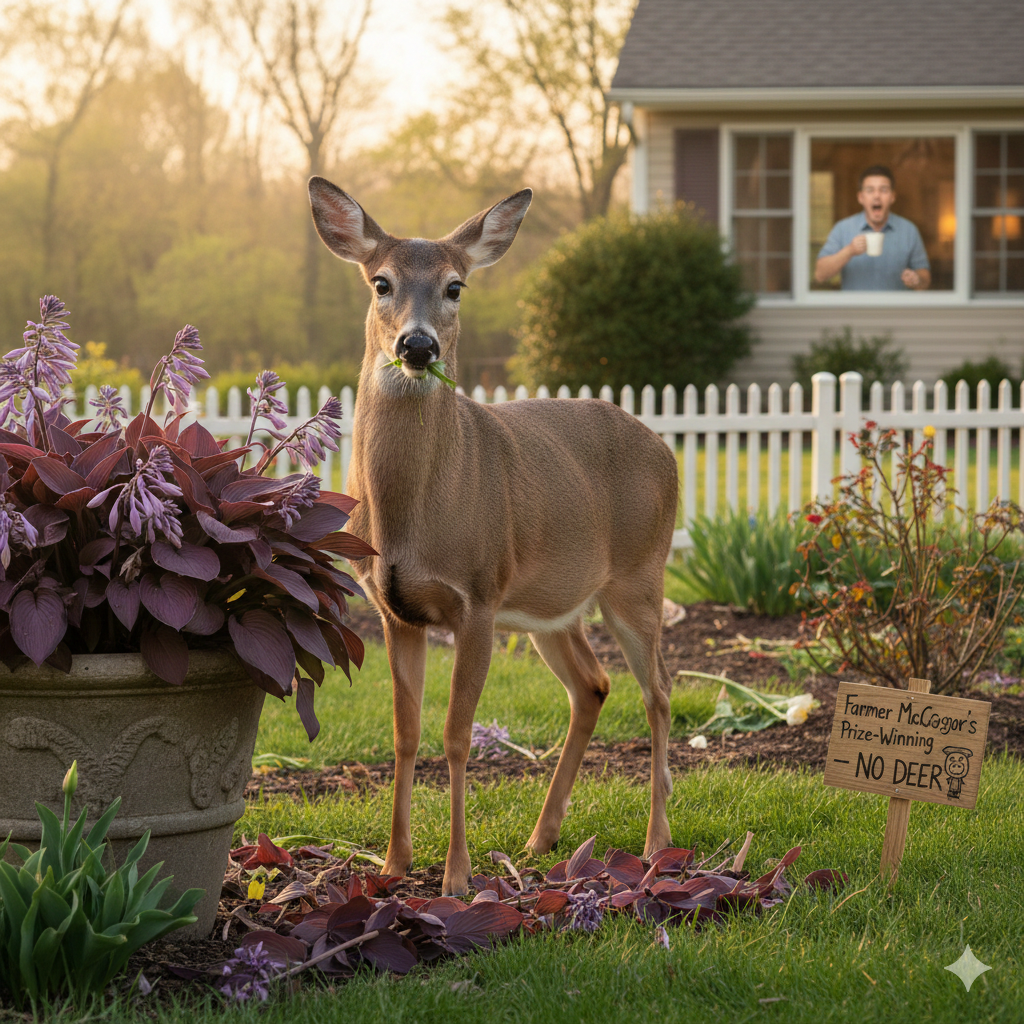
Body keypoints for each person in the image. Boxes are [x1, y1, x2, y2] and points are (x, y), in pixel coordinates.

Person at [815, 166, 931, 290]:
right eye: (870, 190)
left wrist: (917, 279)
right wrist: (849, 251)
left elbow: (925, 278)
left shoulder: (909, 230)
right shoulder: (843, 228)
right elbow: (820, 275)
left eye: (884, 190)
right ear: (861, 197)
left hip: (896, 309)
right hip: (856, 309)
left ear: (892, 197)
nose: (877, 196)